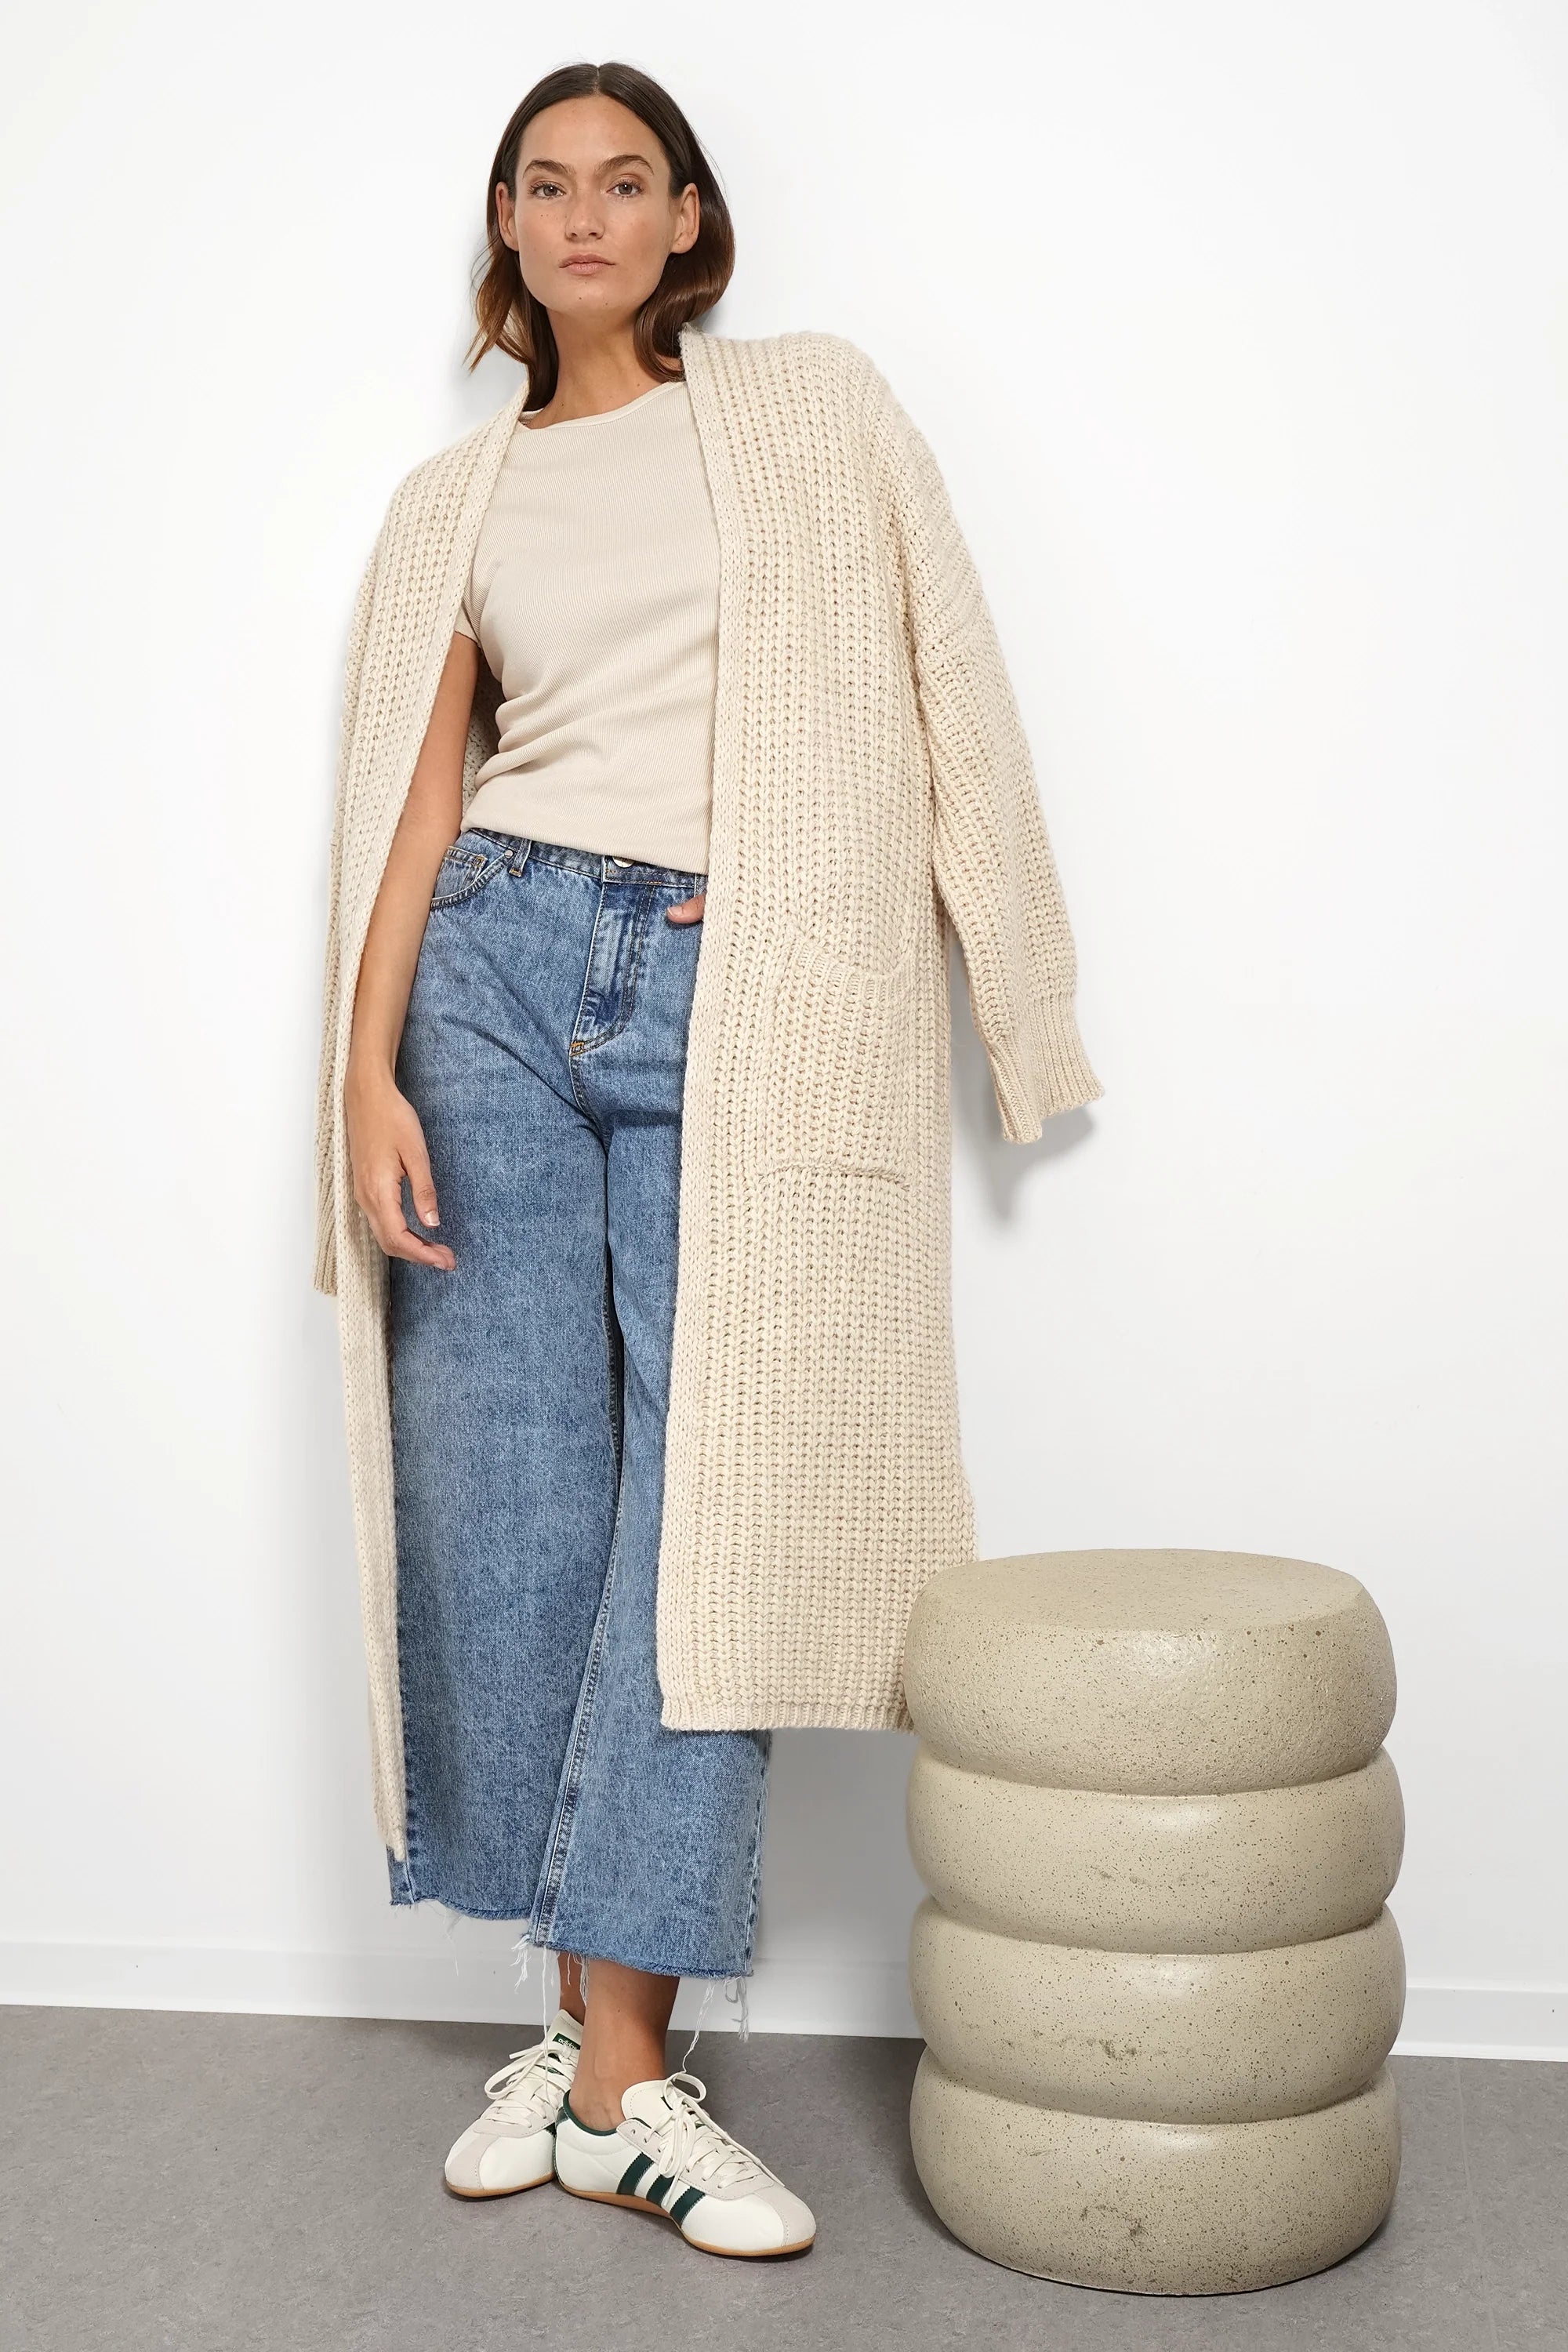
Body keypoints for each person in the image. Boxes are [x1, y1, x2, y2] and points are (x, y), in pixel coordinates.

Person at [315, 59, 1100, 2263]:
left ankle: (613, 2072)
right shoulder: (451, 505)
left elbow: (957, 684)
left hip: (736, 988)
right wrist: (361, 1070)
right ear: (509, 224)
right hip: (485, 978)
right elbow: (412, 801)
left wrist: (1022, 1003)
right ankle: (605, 2059)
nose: (585, 212)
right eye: (544, 182)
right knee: (509, 1505)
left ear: (685, 220)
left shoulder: (815, 415)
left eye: (626, 179)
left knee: (714, 1528)